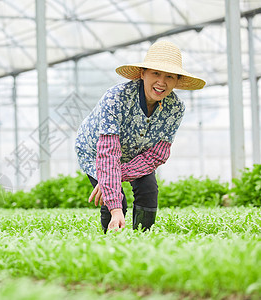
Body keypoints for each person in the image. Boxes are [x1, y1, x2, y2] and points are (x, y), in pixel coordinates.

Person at [75, 41, 205, 234]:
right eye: (156, 73)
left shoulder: (175, 108)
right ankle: (109, 239)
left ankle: (143, 239)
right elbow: (108, 153)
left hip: (137, 155)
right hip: (96, 152)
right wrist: (115, 203)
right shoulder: (116, 97)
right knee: (114, 196)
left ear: (177, 80)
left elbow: (157, 154)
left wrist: (117, 174)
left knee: (148, 189)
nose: (162, 82)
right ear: (143, 73)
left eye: (169, 76)